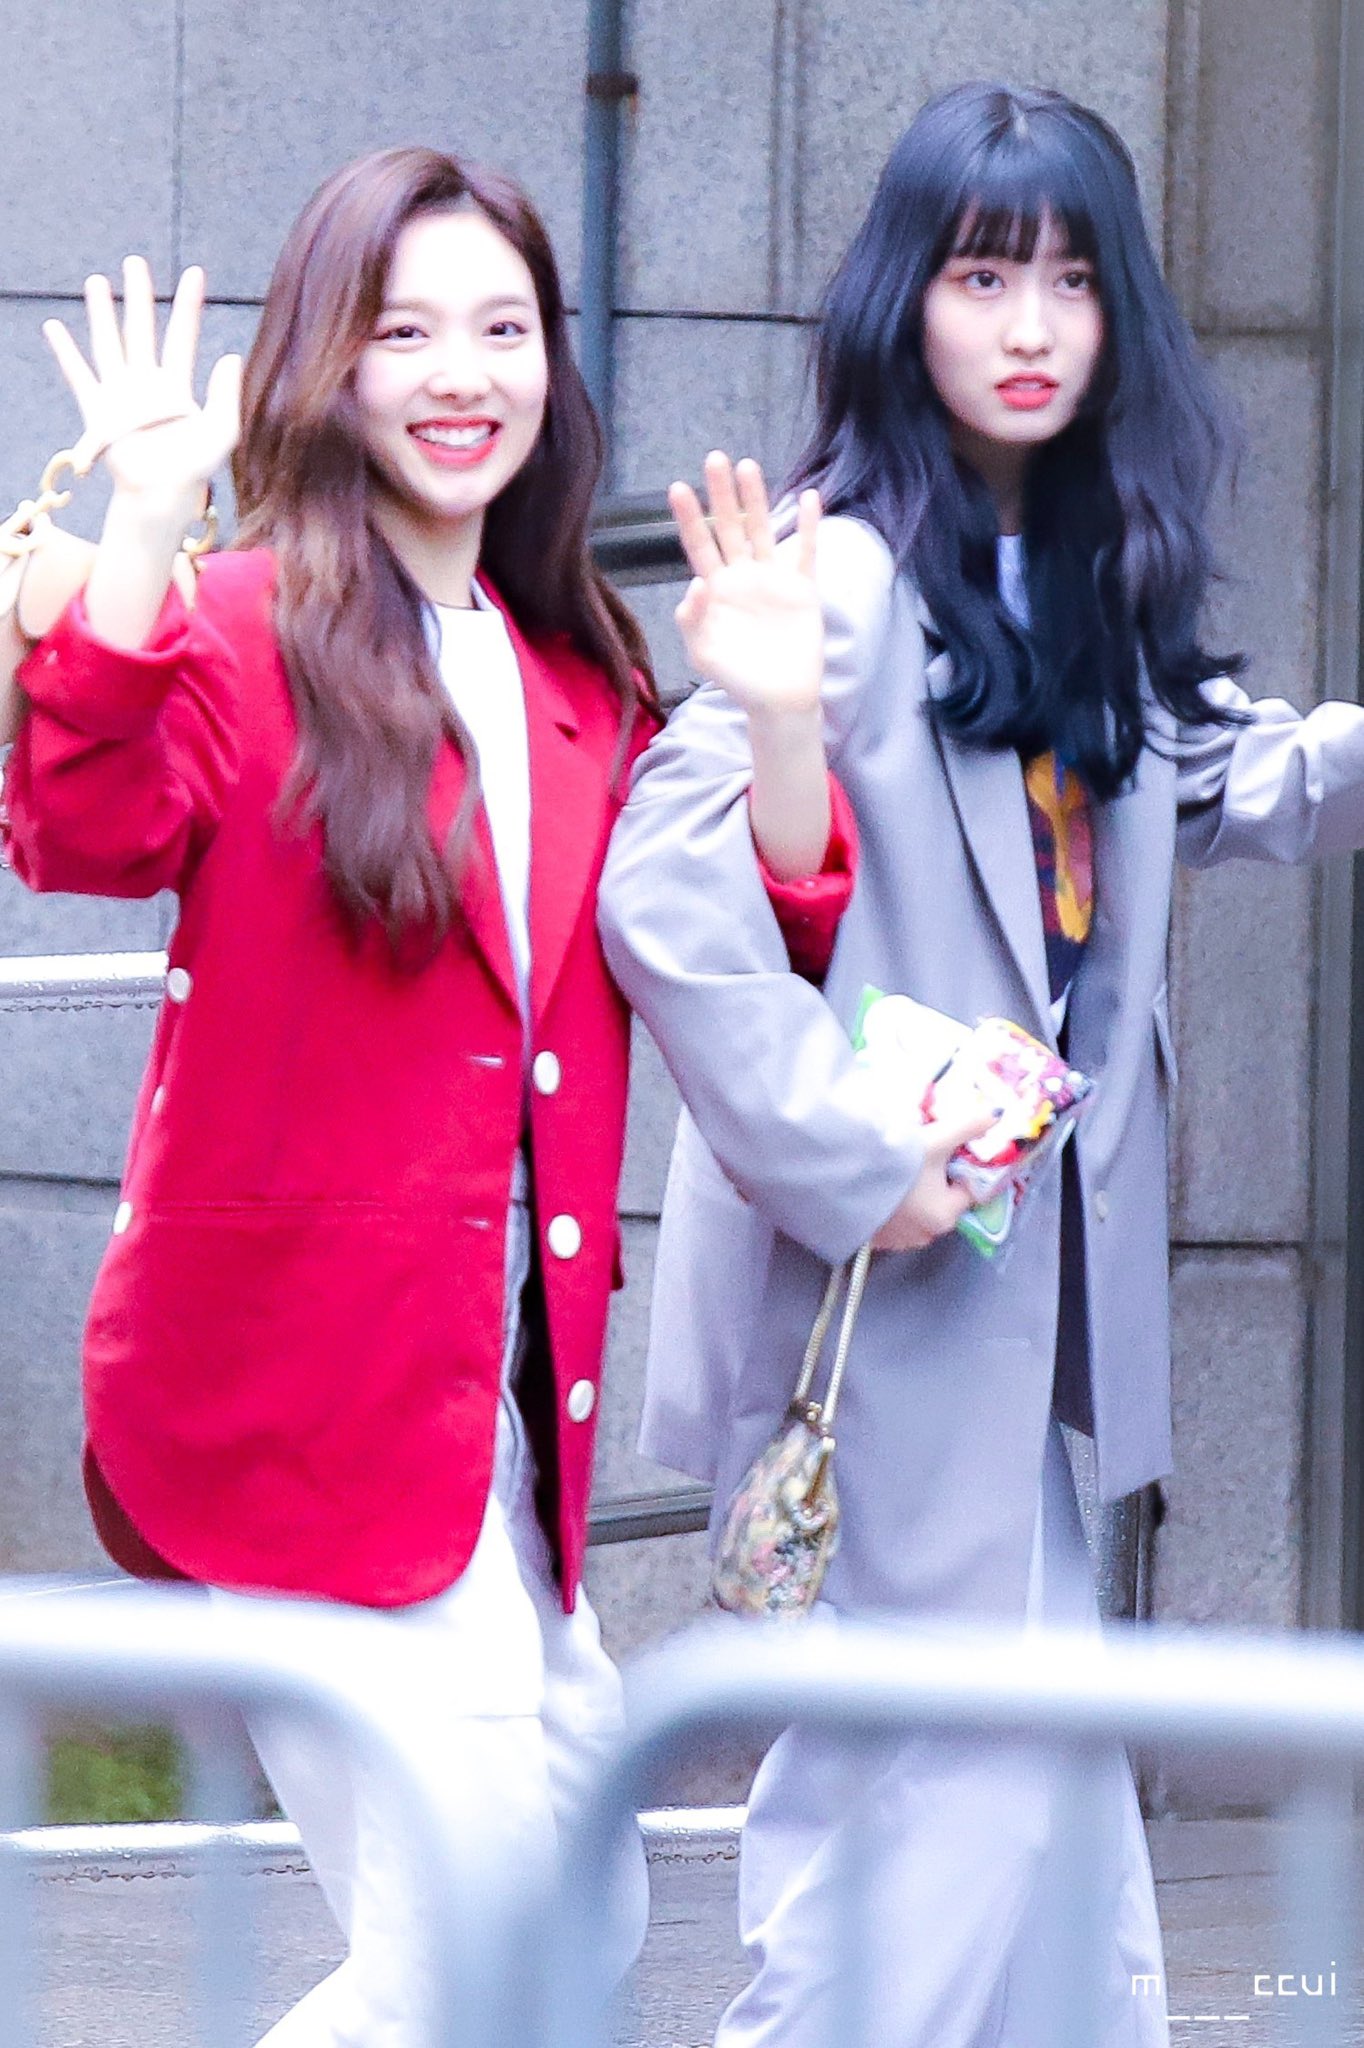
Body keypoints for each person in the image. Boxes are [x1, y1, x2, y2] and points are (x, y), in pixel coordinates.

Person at [0, 146, 850, 2047]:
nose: (463, 375)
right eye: (405, 333)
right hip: (307, 1401)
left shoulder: (579, 675)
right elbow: (79, 827)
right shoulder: (239, 624)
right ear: (328, 363)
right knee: (471, 1956)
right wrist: (145, 524)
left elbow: (762, 931)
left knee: (579, 1913)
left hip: (511, 1413)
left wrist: (785, 715)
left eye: (503, 328)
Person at [597, 81, 1364, 2048]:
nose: (1030, 325)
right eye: (981, 274)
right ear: (903, 303)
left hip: (1014, 1301)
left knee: (1027, 1804)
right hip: (887, 1291)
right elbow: (664, 892)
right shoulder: (848, 577)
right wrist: (860, 1161)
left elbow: (1242, 777)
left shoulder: (1090, 584)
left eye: (1072, 280)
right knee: (944, 1800)